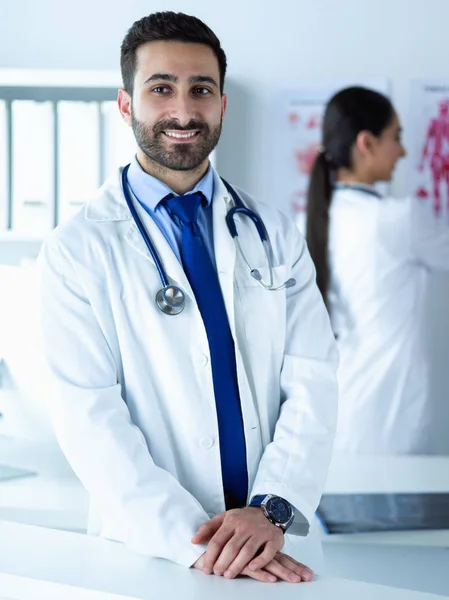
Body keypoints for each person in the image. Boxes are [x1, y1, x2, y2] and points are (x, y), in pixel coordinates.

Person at [38, 11, 338, 583]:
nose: (183, 110)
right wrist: (193, 541)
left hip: (275, 540)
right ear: (126, 105)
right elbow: (89, 417)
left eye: (201, 89)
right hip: (155, 551)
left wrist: (272, 508)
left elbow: (314, 376)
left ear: (222, 104)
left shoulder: (271, 231)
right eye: (160, 88)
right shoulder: (78, 249)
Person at [306, 86, 449, 456]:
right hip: (391, 420)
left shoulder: (308, 221)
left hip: (338, 418)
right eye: (396, 137)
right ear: (366, 142)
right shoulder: (398, 219)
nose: (403, 150)